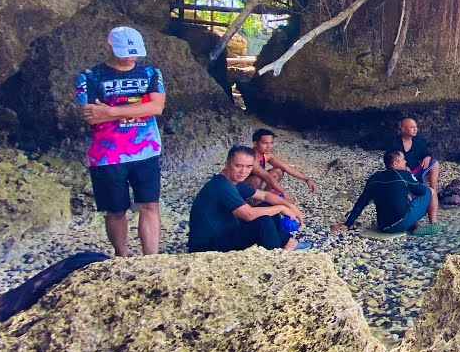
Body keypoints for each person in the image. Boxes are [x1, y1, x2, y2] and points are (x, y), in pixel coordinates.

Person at [76, 26, 166, 257]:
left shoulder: (150, 73)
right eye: (124, 51)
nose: (130, 56)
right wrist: (137, 109)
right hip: (107, 154)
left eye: (134, 51)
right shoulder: (90, 76)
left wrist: (111, 111)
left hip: (146, 150)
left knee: (150, 205)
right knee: (115, 210)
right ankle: (121, 255)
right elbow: (92, 114)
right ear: (108, 46)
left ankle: (151, 259)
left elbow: (156, 106)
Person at [188, 146, 304, 252]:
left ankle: (284, 243)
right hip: (208, 245)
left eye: (249, 167)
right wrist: (281, 208)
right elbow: (248, 214)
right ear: (227, 164)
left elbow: (265, 195)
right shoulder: (222, 185)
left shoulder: (233, 182)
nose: (243, 171)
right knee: (263, 221)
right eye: (238, 166)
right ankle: (275, 256)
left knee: (266, 206)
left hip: (225, 231)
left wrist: (291, 207)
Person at [331, 149, 438, 235]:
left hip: (383, 226)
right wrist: (411, 179)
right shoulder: (404, 175)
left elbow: (362, 201)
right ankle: (434, 225)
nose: (406, 162)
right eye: (403, 160)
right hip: (400, 223)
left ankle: (416, 227)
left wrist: (348, 224)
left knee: (403, 195)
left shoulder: (374, 177)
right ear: (395, 164)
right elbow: (422, 191)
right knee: (431, 191)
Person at [247, 128, 318, 200]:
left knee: (278, 171)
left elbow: (286, 167)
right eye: (265, 143)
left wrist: (307, 179)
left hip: (257, 185)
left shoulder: (267, 155)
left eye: (271, 143)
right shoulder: (250, 157)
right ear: (255, 143)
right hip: (242, 186)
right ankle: (248, 201)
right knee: (257, 179)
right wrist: (284, 192)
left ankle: (259, 200)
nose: (269, 146)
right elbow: (266, 176)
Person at [389, 117, 439, 193]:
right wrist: (403, 168)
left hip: (416, 171)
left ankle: (433, 191)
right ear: (403, 129)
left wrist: (427, 157)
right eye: (412, 127)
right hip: (402, 174)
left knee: (434, 163)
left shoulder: (418, 141)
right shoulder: (394, 143)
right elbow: (389, 161)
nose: (415, 129)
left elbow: (427, 153)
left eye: (416, 127)